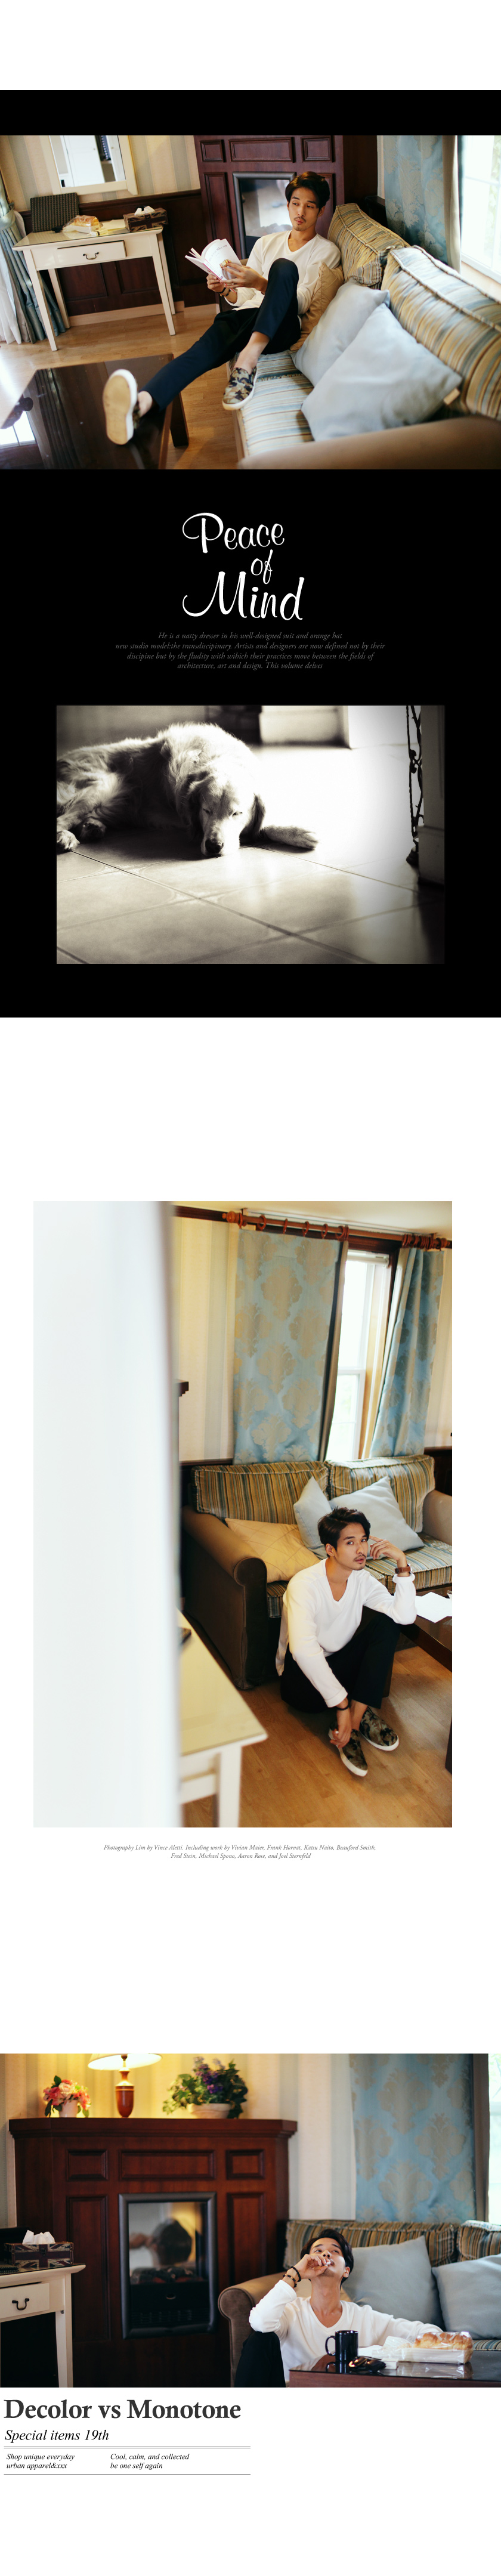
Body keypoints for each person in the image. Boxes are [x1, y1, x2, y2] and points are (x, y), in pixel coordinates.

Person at [101, 171, 342, 444]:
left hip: (284, 325)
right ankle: (140, 405)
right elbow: (244, 297)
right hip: (246, 317)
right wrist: (225, 290)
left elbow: (302, 302)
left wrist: (262, 283)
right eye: (296, 203)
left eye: (309, 206)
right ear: (287, 205)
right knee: (199, 353)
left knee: (284, 268)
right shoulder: (266, 243)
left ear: (321, 211)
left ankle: (247, 361)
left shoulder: (326, 251)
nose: (300, 212)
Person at [277, 1507, 417, 1780]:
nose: (361, 1549)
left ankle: (356, 1718)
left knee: (387, 1623)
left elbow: (404, 1616)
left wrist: (402, 1563)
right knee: (314, 1686)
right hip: (301, 1683)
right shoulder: (304, 1585)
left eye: (363, 1540)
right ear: (330, 1549)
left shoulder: (362, 1579)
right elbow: (303, 1652)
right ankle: (348, 1713)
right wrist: (340, 1703)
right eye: (350, 1543)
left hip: (341, 1666)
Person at [235, 2229, 449, 2384]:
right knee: (260, 2339)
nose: (326, 2255)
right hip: (294, 2398)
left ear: (346, 2270)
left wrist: (372, 2353)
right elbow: (259, 2323)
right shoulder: (291, 2312)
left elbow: (429, 2333)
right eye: (318, 2251)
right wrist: (295, 2274)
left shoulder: (365, 2317)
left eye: (335, 2251)